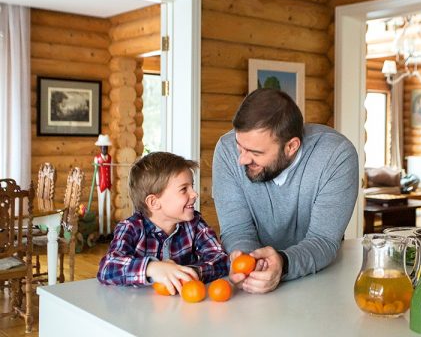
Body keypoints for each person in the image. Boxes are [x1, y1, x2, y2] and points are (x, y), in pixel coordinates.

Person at [212, 88, 359, 294]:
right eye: (240, 147)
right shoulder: (226, 150)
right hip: (255, 288)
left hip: (320, 281)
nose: (242, 159)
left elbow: (323, 240)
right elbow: (237, 229)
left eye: (255, 152)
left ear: (291, 146)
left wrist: (282, 264)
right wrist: (252, 262)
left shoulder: (336, 156)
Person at [97, 152, 228, 295]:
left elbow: (220, 259)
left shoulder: (194, 224)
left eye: (192, 186)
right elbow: (107, 268)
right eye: (184, 189)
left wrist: (190, 272)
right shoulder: (131, 228)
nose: (194, 194)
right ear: (154, 202)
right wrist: (152, 268)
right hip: (139, 311)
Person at [94, 134, 113, 242]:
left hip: (108, 186)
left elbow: (110, 171)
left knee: (108, 209)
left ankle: (109, 231)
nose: (105, 149)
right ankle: (101, 232)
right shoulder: (97, 158)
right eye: (103, 147)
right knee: (101, 209)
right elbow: (97, 173)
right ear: (100, 148)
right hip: (101, 186)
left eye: (106, 147)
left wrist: (112, 182)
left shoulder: (110, 158)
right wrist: (97, 184)